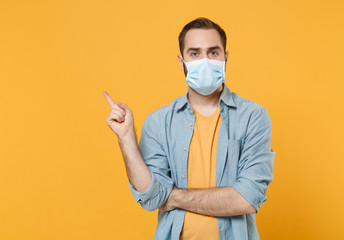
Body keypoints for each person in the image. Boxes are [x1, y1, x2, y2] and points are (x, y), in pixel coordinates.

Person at [103, 17, 276, 240]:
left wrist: (173, 197)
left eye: (213, 52)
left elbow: (247, 199)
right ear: (181, 60)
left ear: (226, 57)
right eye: (194, 53)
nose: (204, 60)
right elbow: (151, 197)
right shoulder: (159, 121)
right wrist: (126, 138)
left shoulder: (253, 116)